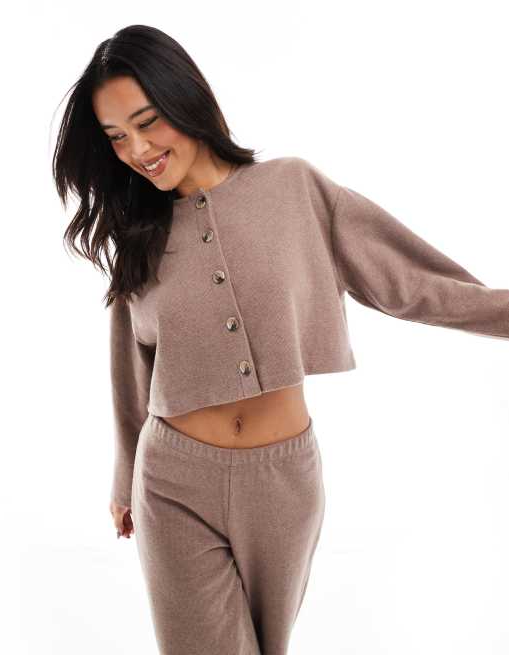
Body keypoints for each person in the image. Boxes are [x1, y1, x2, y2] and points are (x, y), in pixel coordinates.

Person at [52, 24, 509, 655]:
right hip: (173, 482)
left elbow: (412, 284)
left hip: (284, 483)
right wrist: (125, 473)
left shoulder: (294, 189)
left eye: (147, 122)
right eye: (116, 137)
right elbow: (131, 363)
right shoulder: (137, 233)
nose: (138, 149)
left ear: (185, 98)